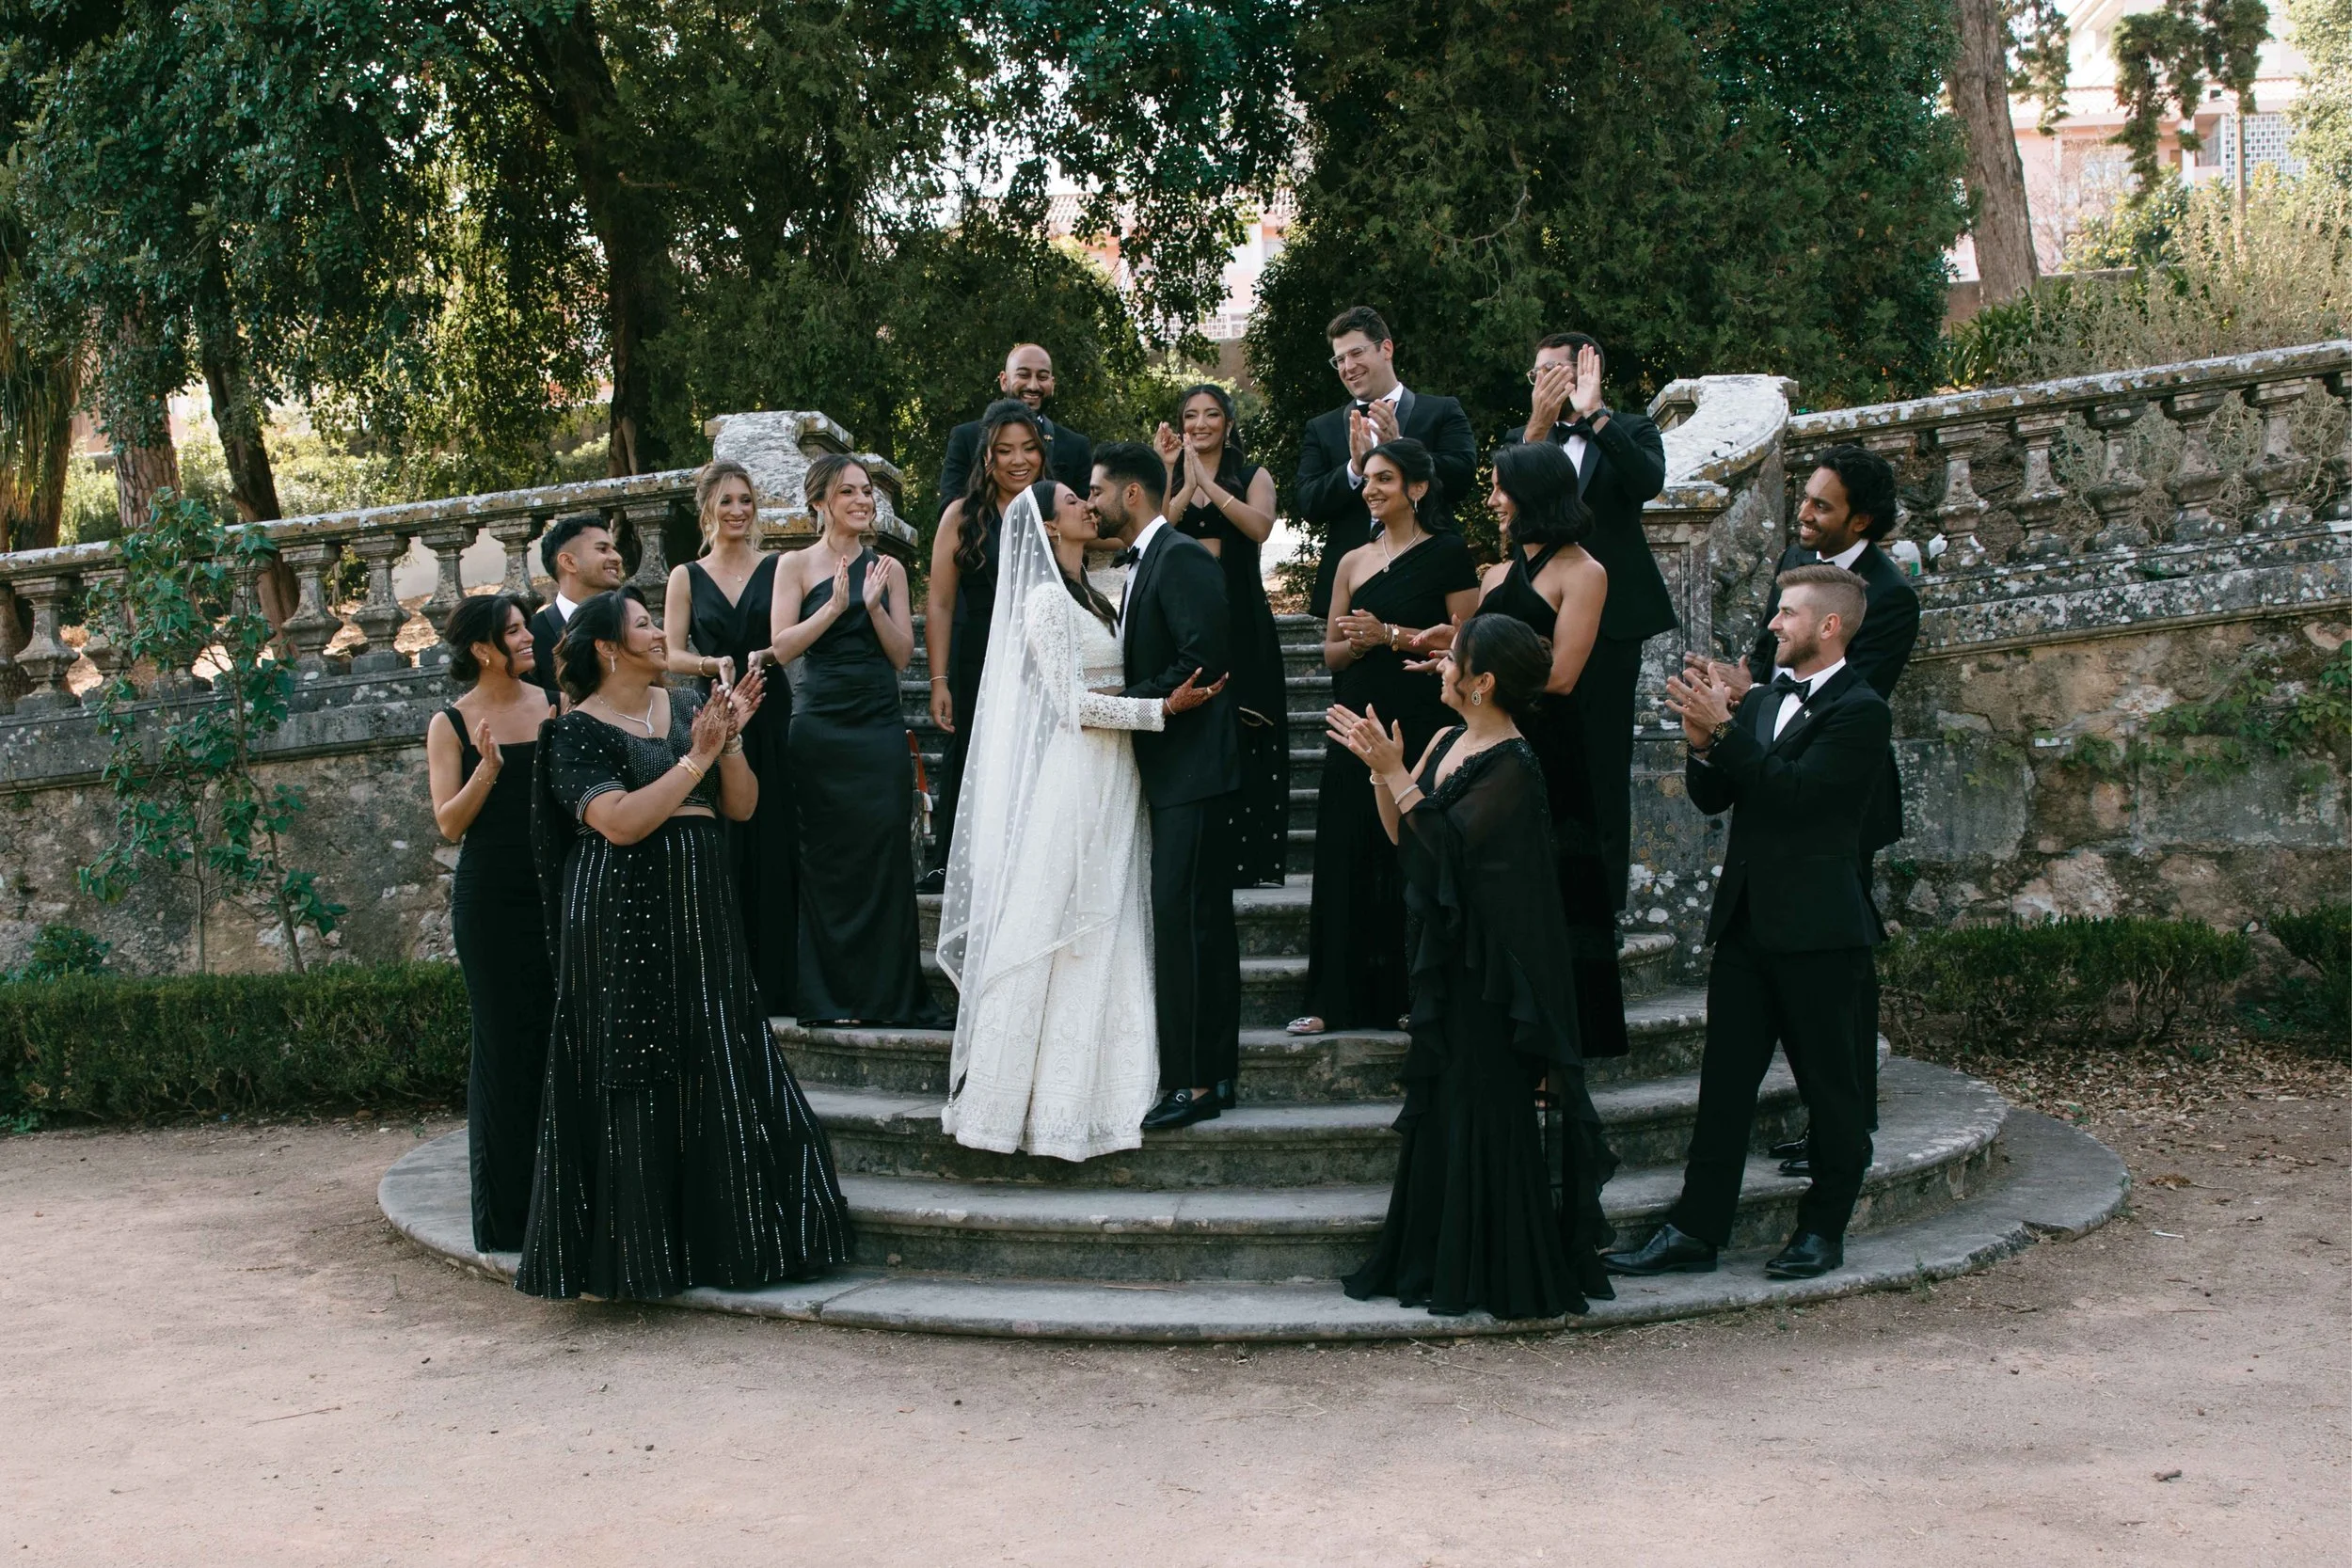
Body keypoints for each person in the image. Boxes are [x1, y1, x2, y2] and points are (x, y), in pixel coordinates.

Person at [517, 588, 849, 1300]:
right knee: (640, 1056)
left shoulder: (688, 709)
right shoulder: (576, 732)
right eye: (643, 625)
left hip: (702, 904)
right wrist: (698, 757)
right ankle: (644, 1254)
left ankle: (734, 1241)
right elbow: (622, 823)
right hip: (621, 911)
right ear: (609, 648)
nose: (659, 634)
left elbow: (742, 806)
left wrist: (730, 743)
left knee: (720, 1046)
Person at [1605, 564, 1892, 1283]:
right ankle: (1695, 1228)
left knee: (1831, 1090)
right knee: (1724, 1089)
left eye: (1788, 613)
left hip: (1821, 933)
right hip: (1745, 927)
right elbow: (1717, 796)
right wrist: (1701, 743)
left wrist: (1726, 728)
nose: (1773, 623)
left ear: (1829, 625)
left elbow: (1796, 795)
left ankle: (1823, 1229)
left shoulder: (1862, 710)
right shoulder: (1764, 701)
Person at [1327, 614, 1618, 1320]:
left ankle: (1492, 1266)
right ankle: (1434, 1256)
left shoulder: (1514, 764)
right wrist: (1384, 774)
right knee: (1444, 1105)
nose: (1441, 663)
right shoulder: (1443, 740)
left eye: (1453, 657)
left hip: (1492, 974)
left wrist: (1396, 775)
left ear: (1482, 682)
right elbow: (1408, 840)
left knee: (1483, 1104)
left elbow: (1449, 855)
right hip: (1446, 959)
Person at [937, 481, 1225, 1159]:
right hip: (1079, 772)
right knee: (1057, 915)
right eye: (1073, 501)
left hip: (1121, 771)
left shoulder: (1098, 591)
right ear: (1046, 525)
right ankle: (1018, 1090)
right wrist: (1160, 709)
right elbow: (1070, 704)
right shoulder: (1043, 601)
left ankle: (1109, 1071)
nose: (1087, 507)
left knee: (1113, 914)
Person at [1689, 443, 1918, 1164]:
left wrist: (1747, 705)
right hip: (1769, 771)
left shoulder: (1890, 596)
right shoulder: (1794, 562)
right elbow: (1772, 668)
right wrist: (1738, 686)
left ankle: (1844, 1119)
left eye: (1823, 505)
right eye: (1807, 499)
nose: (1806, 514)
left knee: (1840, 964)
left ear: (1863, 520)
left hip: (1839, 792)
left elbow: (1849, 697)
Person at [1431, 440, 1631, 1061]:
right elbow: (1476, 653)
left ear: (1534, 494)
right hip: (1484, 737)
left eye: (1501, 488)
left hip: (1549, 747)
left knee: (1554, 889)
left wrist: (1488, 678)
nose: (1492, 500)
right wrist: (1452, 661)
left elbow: (1564, 675)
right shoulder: (1494, 573)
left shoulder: (1585, 572)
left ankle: (1560, 1041)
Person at [1289, 439, 1480, 1037]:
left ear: (1416, 488)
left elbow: (1468, 641)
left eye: (1385, 479)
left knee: (1410, 851)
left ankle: (1412, 994)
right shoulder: (1351, 560)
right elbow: (1330, 653)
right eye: (1367, 479)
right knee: (1344, 848)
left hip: (1419, 718)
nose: (1370, 489)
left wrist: (1392, 635)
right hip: (1356, 716)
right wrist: (1362, 642)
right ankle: (1330, 999)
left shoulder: (1448, 552)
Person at [1090, 440, 1244, 1131]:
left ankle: (1194, 1083)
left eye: (1097, 490)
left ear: (1131, 493)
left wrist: (1121, 705)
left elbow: (1202, 661)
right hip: (1171, 771)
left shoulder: (1179, 557)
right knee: (1192, 922)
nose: (1091, 502)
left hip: (1195, 770)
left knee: (1189, 925)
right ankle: (1213, 1073)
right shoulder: (1144, 560)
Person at [1502, 332, 1672, 923]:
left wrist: (1597, 415)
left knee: (1602, 766)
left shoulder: (1631, 429)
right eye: (1537, 372)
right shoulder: (1525, 436)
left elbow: (1647, 484)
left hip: (1614, 621)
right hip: (1536, 614)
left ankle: (1603, 913)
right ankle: (1540, 904)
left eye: (1556, 370)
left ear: (1587, 371)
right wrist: (1537, 423)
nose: (1544, 380)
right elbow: (1508, 501)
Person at [774, 455, 946, 1027]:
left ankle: (889, 997)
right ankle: (829, 998)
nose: (862, 500)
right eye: (848, 491)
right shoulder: (794, 565)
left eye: (866, 491)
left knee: (884, 856)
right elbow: (781, 646)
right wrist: (832, 607)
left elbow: (900, 655)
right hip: (820, 726)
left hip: (876, 724)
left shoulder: (888, 569)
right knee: (825, 860)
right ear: (820, 501)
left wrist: (871, 607)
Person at [424, 592, 555, 1253]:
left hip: (555, 889)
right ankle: (508, 1220)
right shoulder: (450, 723)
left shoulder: (555, 705)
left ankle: (566, 1205)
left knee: (561, 1040)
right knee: (503, 1045)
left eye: (526, 626)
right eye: (514, 631)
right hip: (491, 902)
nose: (529, 637)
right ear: (482, 649)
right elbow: (448, 823)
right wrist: (489, 772)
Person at [662, 459, 797, 1012]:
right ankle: (727, 979)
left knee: (776, 831)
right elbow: (670, 653)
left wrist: (766, 657)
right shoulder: (685, 576)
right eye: (727, 501)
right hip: (715, 710)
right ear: (707, 510)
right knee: (722, 837)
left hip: (770, 707)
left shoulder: (779, 566)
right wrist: (708, 664)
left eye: (746, 500)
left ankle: (780, 979)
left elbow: (788, 638)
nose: (738, 511)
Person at [1154, 383, 1289, 886]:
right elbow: (1155, 531)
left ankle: (1251, 861)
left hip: (1243, 616)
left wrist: (1209, 487)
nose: (1200, 424)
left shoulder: (1253, 475)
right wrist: (1176, 476)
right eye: (1191, 415)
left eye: (1212, 414)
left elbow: (1260, 527)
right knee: (1192, 729)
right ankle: (1197, 856)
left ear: (1229, 424)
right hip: (1182, 621)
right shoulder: (1169, 476)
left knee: (1248, 725)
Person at [922, 401, 1050, 891]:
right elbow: (939, 604)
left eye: (1029, 449)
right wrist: (938, 680)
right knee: (971, 754)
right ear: (987, 457)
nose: (1019, 460)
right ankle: (957, 865)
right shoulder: (961, 515)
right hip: (978, 653)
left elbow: (1131, 530)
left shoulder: (1057, 507)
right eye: (1005, 450)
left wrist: (1172, 474)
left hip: (1042, 655)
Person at [1295, 306, 1478, 619]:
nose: (1348, 367)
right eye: (1340, 359)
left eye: (1356, 353)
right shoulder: (1322, 428)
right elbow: (1308, 503)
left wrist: (1402, 449)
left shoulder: (1442, 411)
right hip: (1351, 585)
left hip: (1430, 576)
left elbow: (1462, 479)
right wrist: (1354, 470)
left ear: (1386, 349)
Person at [935, 342, 1095, 507]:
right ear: (1004, 381)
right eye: (1023, 375)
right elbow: (949, 508)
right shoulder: (966, 437)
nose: (1033, 386)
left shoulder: (1076, 446)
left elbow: (1087, 513)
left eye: (1042, 377)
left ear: (1052, 383)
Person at [526, 513, 627, 700]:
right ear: (569, 562)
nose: (617, 557)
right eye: (603, 549)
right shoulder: (530, 636)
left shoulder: (631, 623)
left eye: (614, 549)